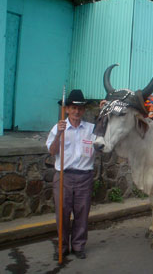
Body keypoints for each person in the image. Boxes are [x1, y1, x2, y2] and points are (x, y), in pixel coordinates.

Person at [46, 89, 96, 260]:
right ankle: (62, 245)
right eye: (73, 108)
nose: (76, 111)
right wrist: (60, 133)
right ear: (67, 109)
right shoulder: (58, 127)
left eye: (80, 108)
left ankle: (78, 245)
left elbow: (104, 142)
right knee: (62, 213)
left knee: (82, 214)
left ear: (84, 110)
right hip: (63, 177)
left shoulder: (91, 129)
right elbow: (52, 152)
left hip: (84, 177)